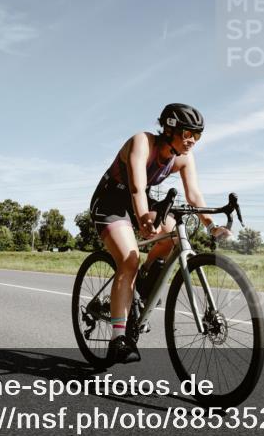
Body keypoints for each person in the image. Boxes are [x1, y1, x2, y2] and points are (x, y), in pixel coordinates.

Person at [89, 103, 230, 364]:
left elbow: (194, 194)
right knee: (129, 259)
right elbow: (136, 188)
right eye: (188, 134)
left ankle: (140, 289)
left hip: (141, 199)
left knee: (176, 235)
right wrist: (143, 219)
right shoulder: (142, 142)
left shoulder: (184, 158)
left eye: (197, 136)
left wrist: (211, 225)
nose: (192, 142)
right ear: (169, 129)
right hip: (112, 200)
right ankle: (118, 339)